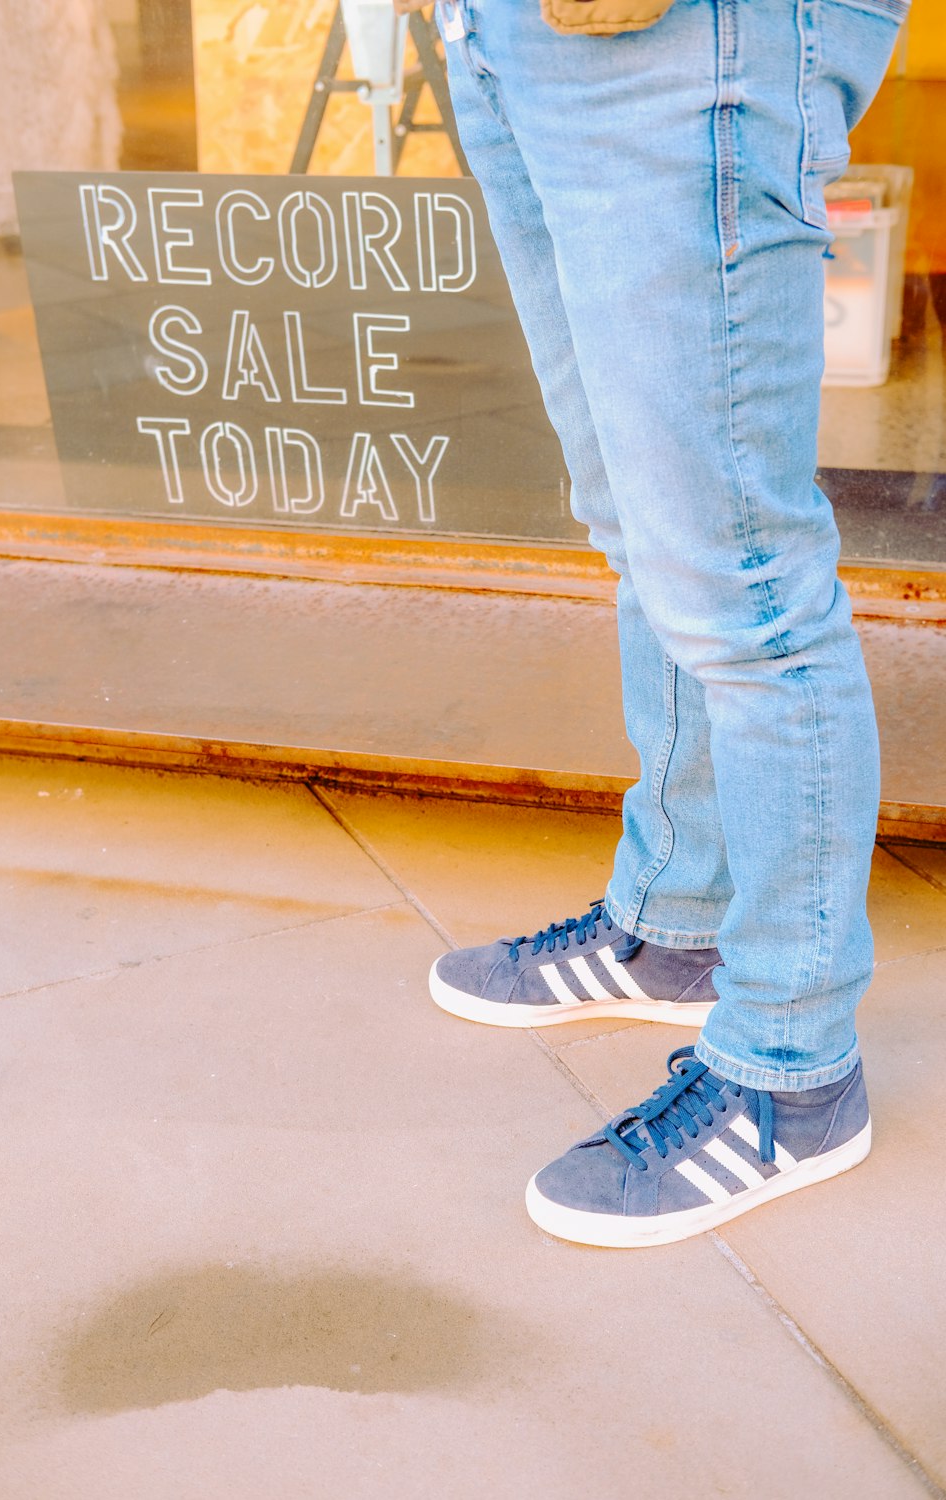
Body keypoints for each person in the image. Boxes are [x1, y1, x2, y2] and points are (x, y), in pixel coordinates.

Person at [394, 0, 908, 1247]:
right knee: (643, 523)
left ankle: (793, 1071)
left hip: (691, 37)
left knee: (740, 585)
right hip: (506, 39)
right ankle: (673, 922)